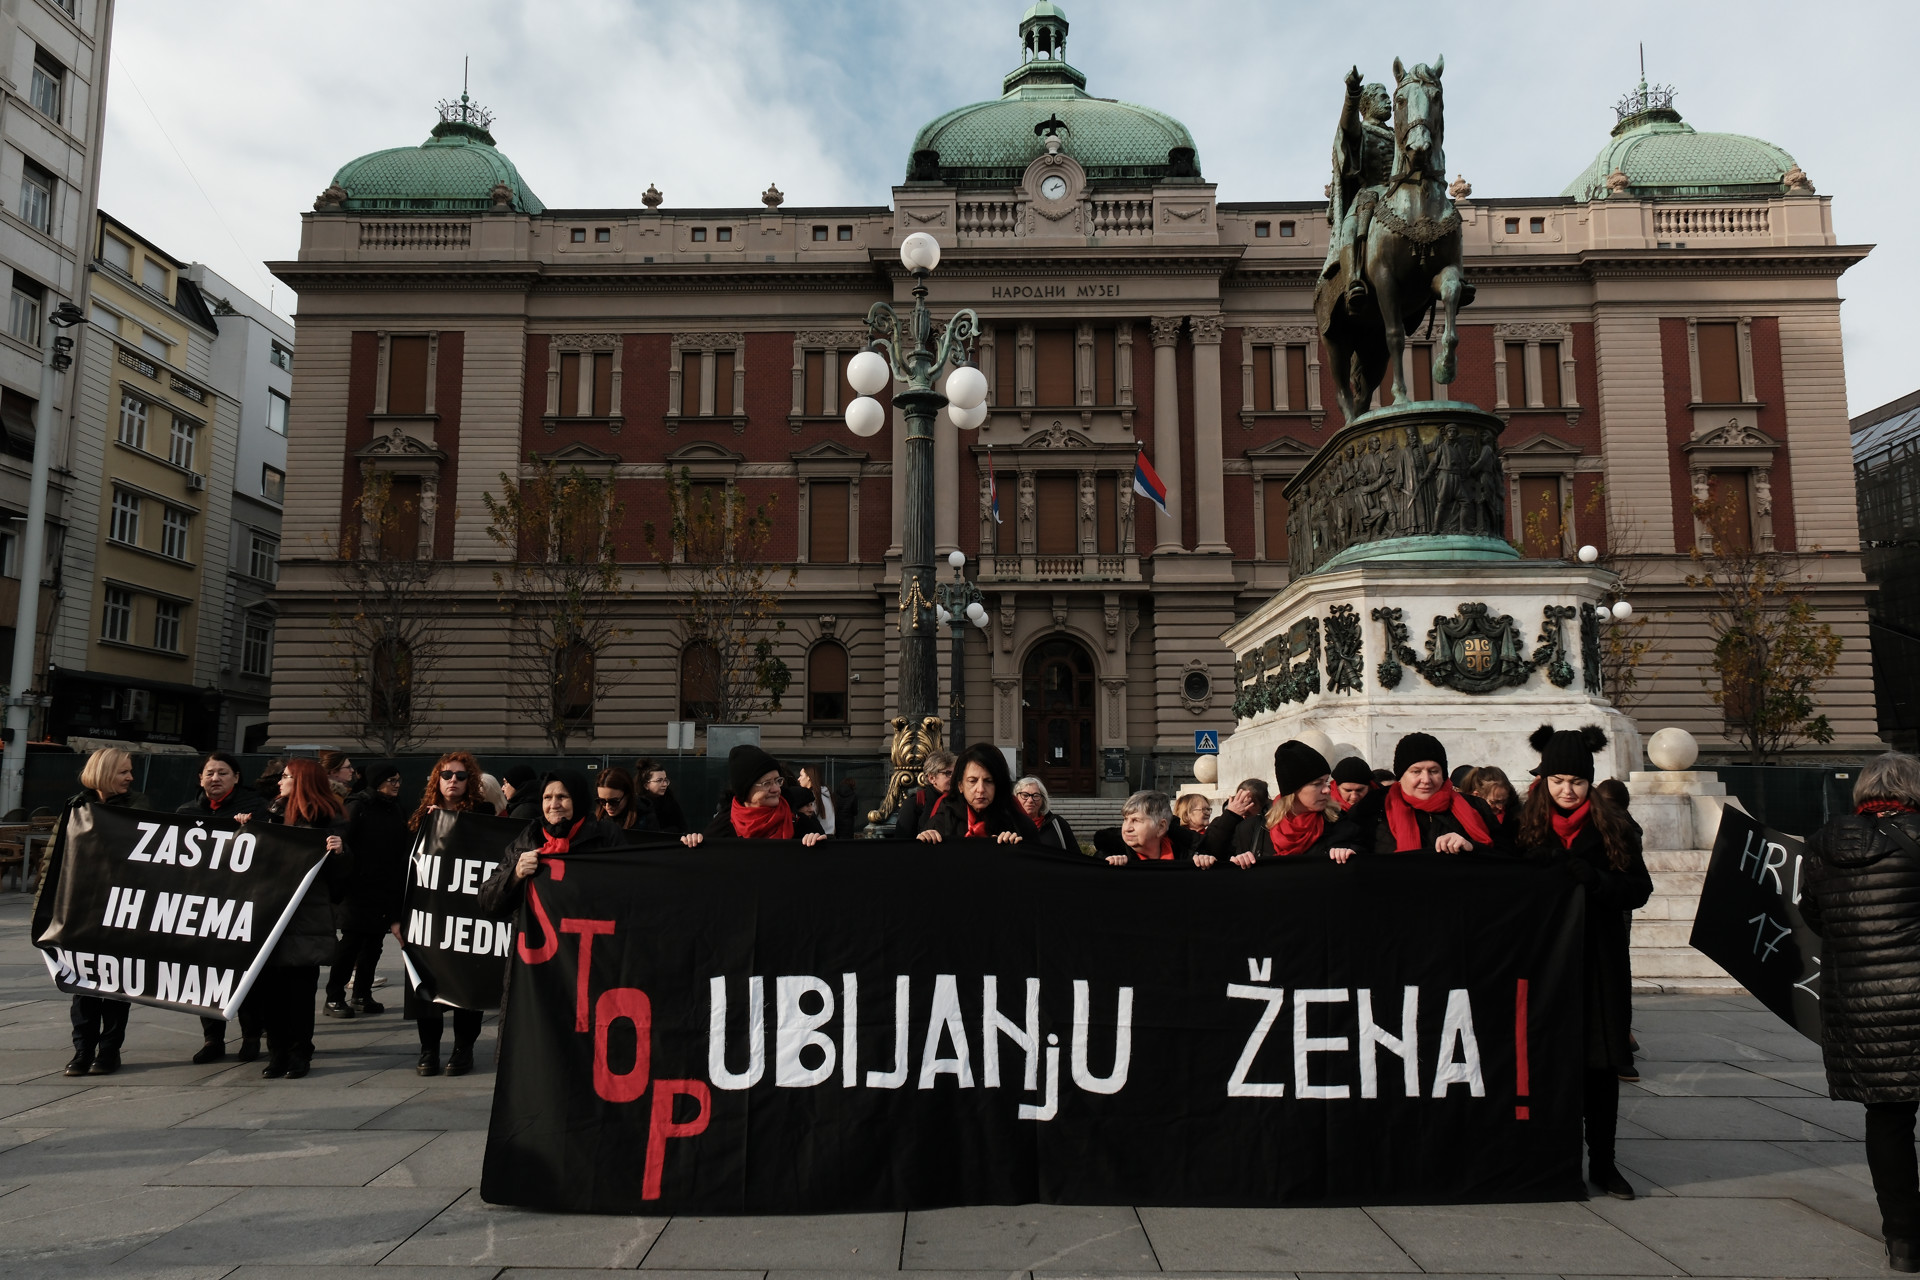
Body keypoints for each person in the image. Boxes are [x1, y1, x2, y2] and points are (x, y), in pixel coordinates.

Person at [1515, 724, 1649, 1202]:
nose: (1566, 791)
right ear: (1544, 781)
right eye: (1557, 781)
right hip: (1543, 963)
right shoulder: (1523, 825)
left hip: (1598, 961)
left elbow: (1639, 890)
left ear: (1589, 780)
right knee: (1547, 1064)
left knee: (1600, 1066)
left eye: (1575, 781)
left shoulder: (1613, 824)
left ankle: (1606, 1162)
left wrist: (1593, 878)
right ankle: (1551, 1156)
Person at [1800, 752, 1920, 1270]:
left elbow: (1814, 916)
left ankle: (1903, 1239)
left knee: (1888, 1116)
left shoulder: (1824, 844)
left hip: (1863, 1003)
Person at [477, 771, 631, 1035]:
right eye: (547, 797)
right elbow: (488, 901)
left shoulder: (606, 836)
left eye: (562, 796)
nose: (553, 804)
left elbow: (630, 891)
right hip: (538, 971)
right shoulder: (529, 838)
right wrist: (515, 874)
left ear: (579, 799)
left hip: (591, 965)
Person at [43, 749, 138, 1076]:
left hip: (122, 913)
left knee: (116, 988)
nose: (130, 777)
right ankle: (82, 1051)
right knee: (82, 987)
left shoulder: (139, 809)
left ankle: (108, 1052)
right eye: (123, 771)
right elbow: (53, 861)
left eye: (130, 771)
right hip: (80, 912)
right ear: (104, 772)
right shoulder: (74, 807)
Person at [259, 758, 352, 1079]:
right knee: (271, 992)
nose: (280, 782)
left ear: (301, 782)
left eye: (286, 777)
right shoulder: (269, 815)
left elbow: (341, 885)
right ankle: (277, 1052)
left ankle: (299, 1052)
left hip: (306, 920)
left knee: (299, 992)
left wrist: (339, 854)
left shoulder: (330, 821)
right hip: (269, 918)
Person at [402, 751, 494, 1071]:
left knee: (467, 984)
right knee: (426, 986)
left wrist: (451, 824)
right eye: (446, 775)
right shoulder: (419, 818)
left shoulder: (483, 813)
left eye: (460, 775)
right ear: (436, 780)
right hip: (428, 919)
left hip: (468, 919)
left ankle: (463, 1049)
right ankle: (429, 1051)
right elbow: (405, 871)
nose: (452, 780)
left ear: (471, 782)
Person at [178, 751, 270, 1063]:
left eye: (222, 772)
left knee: (247, 977)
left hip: (243, 908)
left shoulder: (256, 809)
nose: (215, 778)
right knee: (205, 977)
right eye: (209, 773)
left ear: (236, 777)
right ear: (200, 778)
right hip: (201, 908)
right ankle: (212, 1039)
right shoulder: (186, 812)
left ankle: (251, 1037)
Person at [325, 765, 408, 1020]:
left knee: (373, 944)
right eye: (391, 780)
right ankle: (334, 996)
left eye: (398, 780)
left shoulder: (394, 808)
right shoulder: (358, 805)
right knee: (350, 944)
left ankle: (362, 994)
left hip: (383, 887)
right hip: (356, 888)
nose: (396, 784)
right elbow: (341, 842)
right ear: (378, 781)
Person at [1349, 733, 1505, 855]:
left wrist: (1472, 846)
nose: (1426, 779)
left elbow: (1506, 854)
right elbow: (1351, 845)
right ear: (1401, 775)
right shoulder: (1373, 806)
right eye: (1416, 771)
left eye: (1434, 771)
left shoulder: (1475, 806)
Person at [1224, 741, 1361, 866]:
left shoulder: (1339, 823)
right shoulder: (1252, 829)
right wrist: (1239, 863)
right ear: (1293, 791)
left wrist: (1350, 854)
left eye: (1326, 781)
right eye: (1317, 784)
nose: (1326, 789)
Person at [681, 745, 826, 846]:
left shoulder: (800, 821)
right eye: (767, 783)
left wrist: (817, 842)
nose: (776, 789)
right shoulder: (723, 826)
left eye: (778, 781)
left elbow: (827, 860)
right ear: (746, 789)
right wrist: (694, 842)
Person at [919, 744, 1037, 844]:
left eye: (988, 781)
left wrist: (1016, 849)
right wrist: (924, 843)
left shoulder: (1020, 826)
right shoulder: (940, 824)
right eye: (972, 781)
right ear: (960, 785)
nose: (980, 789)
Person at [1094, 791, 1197, 864]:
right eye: (1125, 819)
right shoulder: (1108, 857)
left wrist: (1203, 862)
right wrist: (1107, 867)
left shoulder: (1187, 856)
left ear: (1161, 827)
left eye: (1136, 820)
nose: (1127, 828)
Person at [891, 749, 955, 838]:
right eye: (948, 773)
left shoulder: (958, 800)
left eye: (955, 773)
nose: (954, 778)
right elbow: (902, 842)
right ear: (932, 778)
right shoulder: (914, 803)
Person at [1202, 780, 1270, 861]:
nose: (1244, 808)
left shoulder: (1269, 825)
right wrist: (1230, 816)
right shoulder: (1222, 821)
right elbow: (1209, 848)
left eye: (1249, 803)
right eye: (1240, 801)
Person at [1013, 776, 1079, 852]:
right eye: (1025, 795)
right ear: (1016, 798)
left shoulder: (1057, 823)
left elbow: (1076, 855)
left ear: (1042, 800)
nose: (1030, 800)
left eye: (1036, 795)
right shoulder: (1008, 823)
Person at [1466, 764, 1519, 843]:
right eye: (1494, 802)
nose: (1500, 807)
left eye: (1504, 801)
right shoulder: (1465, 818)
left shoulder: (1515, 817)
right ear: (1477, 796)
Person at [632, 758, 686, 833]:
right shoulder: (636, 805)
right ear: (646, 785)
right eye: (659, 780)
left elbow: (682, 828)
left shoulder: (670, 802)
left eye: (665, 780)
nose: (664, 784)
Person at [595, 767, 651, 834]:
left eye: (614, 801)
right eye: (602, 801)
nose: (607, 806)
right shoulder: (595, 821)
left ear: (628, 795)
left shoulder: (645, 820)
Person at [797, 765, 835, 837]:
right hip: (829, 836)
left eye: (801, 776)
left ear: (809, 777)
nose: (798, 779)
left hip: (818, 837)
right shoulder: (826, 794)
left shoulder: (814, 796)